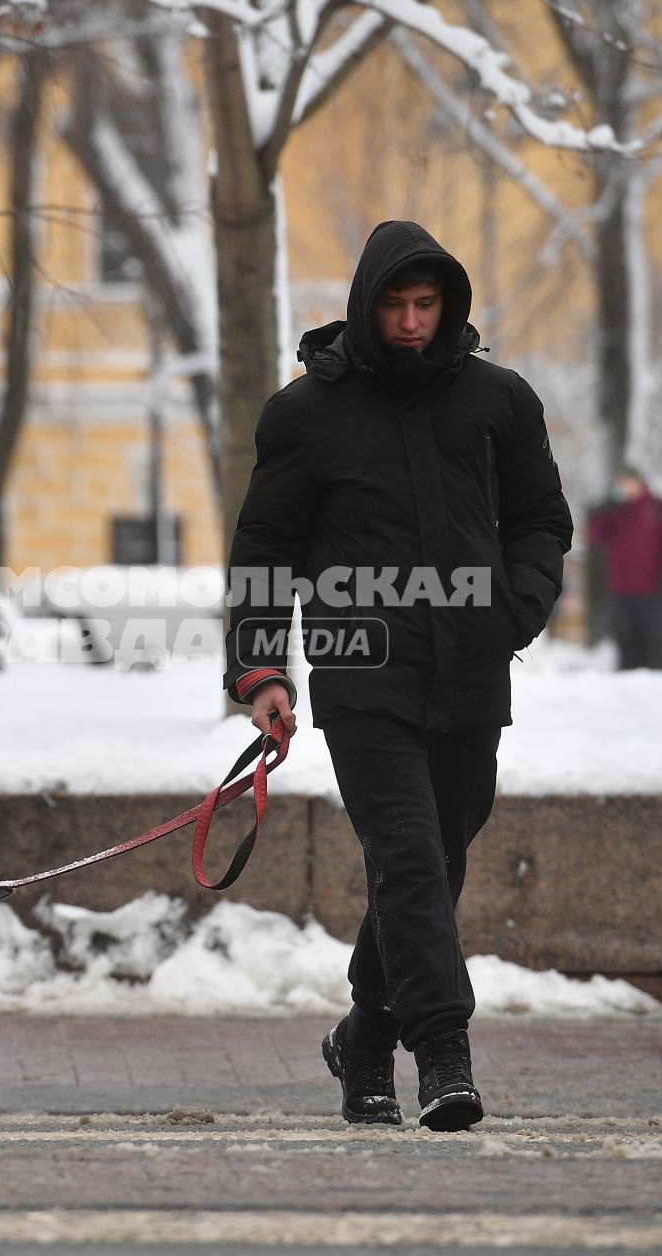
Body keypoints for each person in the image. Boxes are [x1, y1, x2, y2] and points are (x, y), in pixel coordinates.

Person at [222, 221, 572, 1131]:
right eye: (394, 305)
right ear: (365, 305)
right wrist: (263, 669)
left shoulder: (500, 401)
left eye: (427, 305)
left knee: (440, 859)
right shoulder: (305, 414)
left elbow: (540, 519)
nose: (412, 323)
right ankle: (443, 1054)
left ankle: (365, 1037)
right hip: (359, 673)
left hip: (469, 669)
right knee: (409, 856)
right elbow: (266, 545)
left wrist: (513, 610)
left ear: (449, 304)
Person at [587, 466, 662, 671]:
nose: (625, 488)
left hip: (653, 591)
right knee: (625, 644)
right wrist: (603, 511)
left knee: (656, 643)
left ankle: (660, 686)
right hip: (621, 591)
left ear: (640, 483)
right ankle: (627, 687)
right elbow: (595, 535)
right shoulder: (615, 512)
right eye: (621, 483)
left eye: (629, 482)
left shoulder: (659, 509)